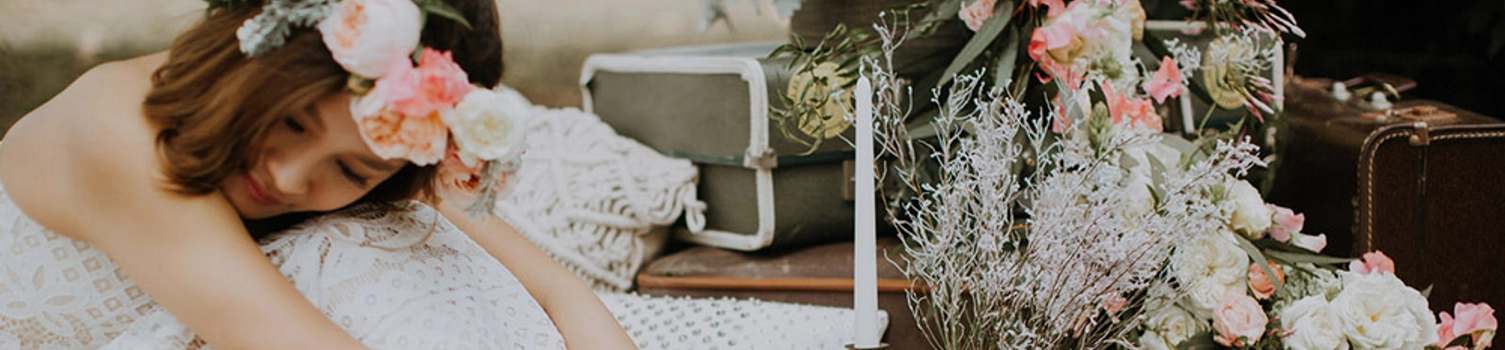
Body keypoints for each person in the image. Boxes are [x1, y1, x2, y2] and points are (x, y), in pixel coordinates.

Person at [0, 0, 636, 348]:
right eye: (291, 122)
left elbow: (557, 291)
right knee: (356, 247)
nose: (287, 176)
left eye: (351, 168)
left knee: (402, 229)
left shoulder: (380, 159)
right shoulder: (113, 130)